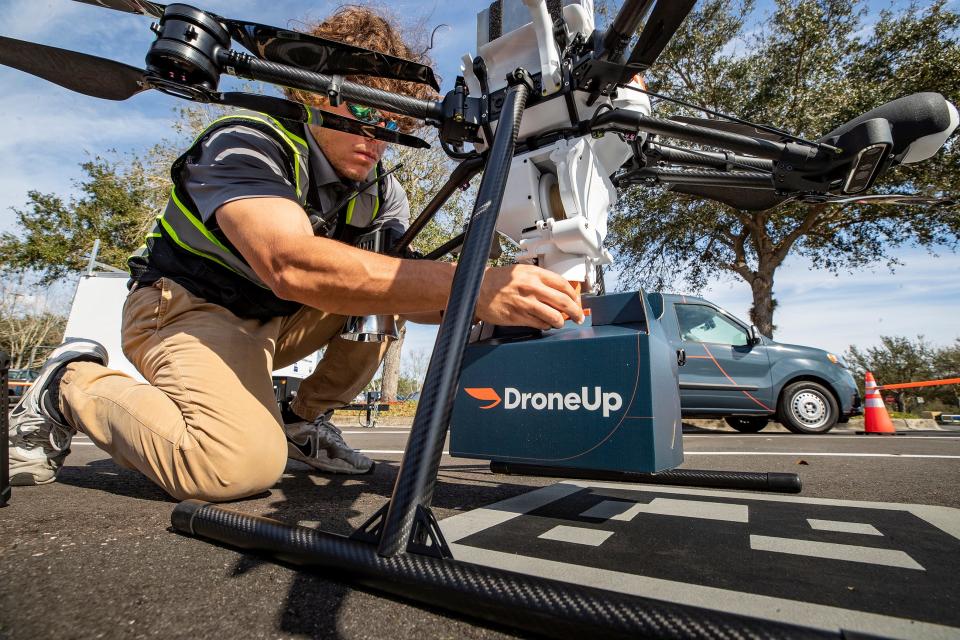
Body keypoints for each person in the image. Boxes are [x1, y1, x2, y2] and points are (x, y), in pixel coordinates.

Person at [7, 6, 583, 502]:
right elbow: (290, 264)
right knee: (232, 466)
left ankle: (300, 421)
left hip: (275, 324)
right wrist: (475, 286)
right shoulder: (248, 141)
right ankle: (72, 381)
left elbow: (413, 298)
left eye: (393, 119)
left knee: (387, 295)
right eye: (362, 112)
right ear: (310, 95)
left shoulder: (384, 191)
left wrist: (507, 306)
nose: (377, 135)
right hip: (185, 313)